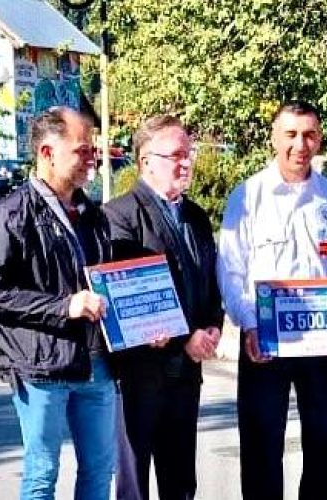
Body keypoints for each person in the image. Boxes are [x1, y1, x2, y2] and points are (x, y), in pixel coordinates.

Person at [217, 101, 327, 500]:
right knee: (262, 445)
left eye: (309, 134)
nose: (301, 144)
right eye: (291, 134)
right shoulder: (248, 196)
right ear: (274, 138)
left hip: (322, 344)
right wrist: (248, 322)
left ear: (319, 139)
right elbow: (231, 270)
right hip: (264, 342)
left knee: (323, 445)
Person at [0, 106, 116, 499]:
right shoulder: (7, 215)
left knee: (99, 472)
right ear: (47, 153)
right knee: (42, 474)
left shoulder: (91, 213)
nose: (91, 157)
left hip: (96, 363)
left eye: (91, 149)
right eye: (81, 150)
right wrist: (64, 306)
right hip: (41, 365)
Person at [103, 115, 223, 500]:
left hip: (186, 378)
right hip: (139, 378)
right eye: (175, 155)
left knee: (181, 483)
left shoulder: (197, 217)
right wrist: (181, 339)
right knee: (133, 484)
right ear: (146, 161)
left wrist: (211, 327)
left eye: (189, 154)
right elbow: (128, 301)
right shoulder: (119, 215)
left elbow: (209, 285)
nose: (186, 163)